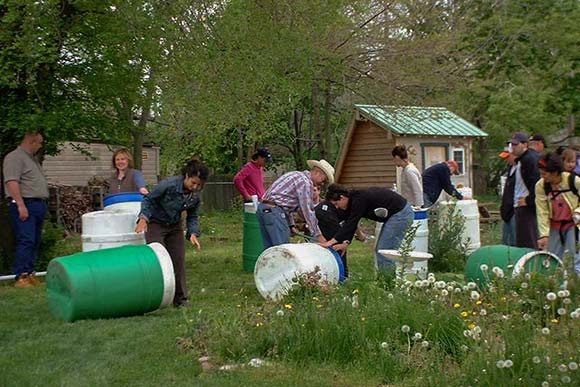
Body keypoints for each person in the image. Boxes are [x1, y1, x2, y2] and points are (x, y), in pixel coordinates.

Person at [135, 158, 209, 307]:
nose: (195, 187)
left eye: (199, 185)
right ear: (186, 176)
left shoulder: (195, 195)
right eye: (193, 182)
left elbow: (192, 215)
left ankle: (180, 300)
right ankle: (154, 297)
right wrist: (143, 219)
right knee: (158, 259)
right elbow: (149, 200)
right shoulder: (168, 185)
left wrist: (192, 233)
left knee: (178, 260)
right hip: (155, 223)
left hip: (174, 226)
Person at [319, 184, 413, 272]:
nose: (337, 207)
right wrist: (346, 242)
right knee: (381, 251)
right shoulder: (351, 202)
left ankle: (388, 283)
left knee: (385, 251)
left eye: (336, 203)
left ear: (342, 198)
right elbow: (349, 223)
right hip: (395, 215)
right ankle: (386, 280)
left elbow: (351, 224)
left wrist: (330, 242)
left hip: (401, 214)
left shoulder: (359, 199)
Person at [2, 131, 49, 287]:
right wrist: (20, 204)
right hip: (25, 203)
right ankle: (21, 275)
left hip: (37, 203)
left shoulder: (32, 159)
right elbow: (12, 181)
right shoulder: (15, 157)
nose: (41, 146)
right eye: (39, 143)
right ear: (32, 142)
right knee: (26, 239)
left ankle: (30, 273)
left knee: (34, 240)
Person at [257, 159, 333, 249]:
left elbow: (285, 203)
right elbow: (307, 211)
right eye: (323, 180)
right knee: (282, 250)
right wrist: (318, 235)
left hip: (263, 209)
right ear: (318, 173)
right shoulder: (306, 183)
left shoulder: (296, 175)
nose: (322, 183)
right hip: (274, 212)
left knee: (270, 251)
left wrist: (291, 225)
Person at [535, 152, 580, 275]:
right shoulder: (541, 186)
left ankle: (574, 289)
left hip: (573, 225)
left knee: (573, 259)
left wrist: (577, 212)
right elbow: (542, 211)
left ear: (554, 172)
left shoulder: (573, 181)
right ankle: (557, 289)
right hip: (554, 226)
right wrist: (544, 234)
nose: (542, 176)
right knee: (553, 259)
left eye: (544, 174)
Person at [510, 132, 540, 248]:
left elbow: (536, 183)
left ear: (524, 145)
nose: (513, 147)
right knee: (522, 240)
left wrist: (528, 200)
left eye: (516, 145)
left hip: (526, 206)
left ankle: (531, 262)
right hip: (520, 205)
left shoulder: (529, 159)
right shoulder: (521, 160)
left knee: (528, 240)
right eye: (512, 145)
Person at [499, 150, 517, 246]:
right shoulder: (510, 169)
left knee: (515, 239)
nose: (507, 160)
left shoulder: (519, 170)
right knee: (506, 240)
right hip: (507, 209)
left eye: (508, 157)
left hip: (515, 209)